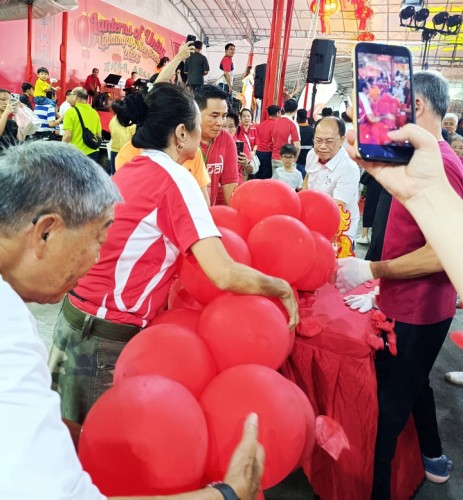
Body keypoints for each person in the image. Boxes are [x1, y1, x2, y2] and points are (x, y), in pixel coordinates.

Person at [0, 140, 265, 500]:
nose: (98, 259)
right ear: (46, 231)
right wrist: (227, 494)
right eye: (98, 240)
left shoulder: (13, 313)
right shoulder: (9, 332)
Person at [49, 83, 298, 425]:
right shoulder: (175, 180)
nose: (212, 127)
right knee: (93, 444)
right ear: (182, 133)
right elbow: (223, 273)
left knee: (62, 435)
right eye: (199, 122)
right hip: (105, 339)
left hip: (74, 320)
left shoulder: (133, 166)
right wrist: (279, 287)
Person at [336, 71, 463, 498]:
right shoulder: (418, 160)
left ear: (417, 107)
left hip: (419, 310)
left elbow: (439, 253)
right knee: (416, 383)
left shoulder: (443, 163)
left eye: (394, 105)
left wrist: (372, 271)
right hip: (404, 302)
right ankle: (434, 456)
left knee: (384, 418)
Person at [302, 116, 360, 245]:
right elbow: (307, 178)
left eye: (329, 141)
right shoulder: (312, 154)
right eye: (318, 140)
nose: (322, 146)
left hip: (338, 231)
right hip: (312, 222)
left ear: (342, 140)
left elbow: (336, 208)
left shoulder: (348, 168)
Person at [194, 84, 239, 205]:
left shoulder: (226, 139)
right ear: (196, 113)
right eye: (214, 116)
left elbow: (230, 186)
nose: (220, 123)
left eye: (224, 116)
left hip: (209, 212)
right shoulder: (181, 140)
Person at [62, 87, 102, 161]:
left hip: (77, 153)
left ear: (75, 97)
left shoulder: (70, 112)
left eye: (70, 95)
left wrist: (61, 150)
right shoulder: (95, 113)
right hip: (93, 153)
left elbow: (67, 136)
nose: (69, 97)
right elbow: (99, 135)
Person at [271, 98, 300, 172]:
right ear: (296, 110)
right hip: (288, 160)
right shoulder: (293, 124)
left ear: (284, 108)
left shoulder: (275, 122)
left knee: (275, 179)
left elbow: (273, 140)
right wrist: (294, 159)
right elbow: (297, 146)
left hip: (275, 158)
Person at [225, 110, 254, 183]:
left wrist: (246, 163)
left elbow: (250, 170)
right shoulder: (212, 144)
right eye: (223, 126)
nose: (226, 130)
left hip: (236, 184)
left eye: (231, 126)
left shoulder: (241, 146)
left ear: (236, 128)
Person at [109, 99, 136, 175]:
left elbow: (112, 135)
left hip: (115, 152)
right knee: (128, 176)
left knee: (115, 176)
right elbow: (135, 138)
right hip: (128, 152)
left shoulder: (112, 121)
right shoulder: (131, 122)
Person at [255, 104, 281, 179]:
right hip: (268, 153)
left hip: (258, 152)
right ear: (277, 113)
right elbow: (274, 140)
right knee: (266, 178)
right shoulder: (276, 125)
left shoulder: (260, 125)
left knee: (257, 175)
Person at [295, 108, 314, 179]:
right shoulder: (312, 130)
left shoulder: (295, 129)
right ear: (306, 118)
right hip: (307, 159)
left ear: (297, 119)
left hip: (296, 159)